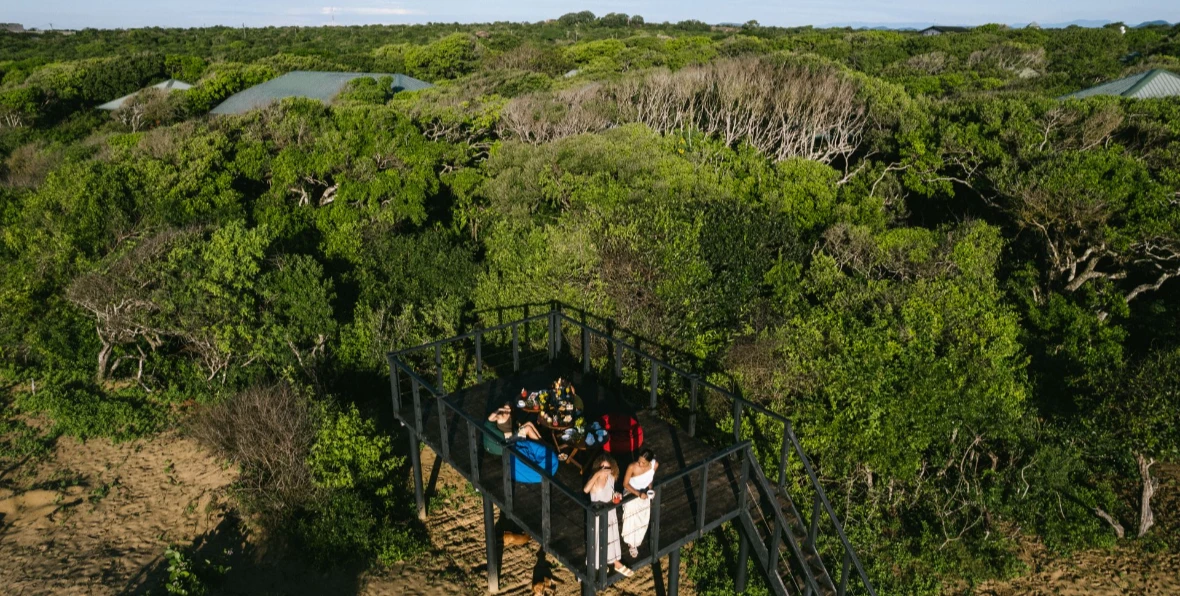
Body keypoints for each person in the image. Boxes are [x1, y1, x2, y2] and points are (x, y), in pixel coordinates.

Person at [583, 454, 633, 577]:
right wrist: (597, 473)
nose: (605, 470)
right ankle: (603, 563)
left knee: (611, 537)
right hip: (598, 514)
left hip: (610, 511)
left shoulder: (611, 477)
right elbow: (585, 489)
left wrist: (616, 495)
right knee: (600, 538)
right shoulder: (594, 480)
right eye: (602, 467)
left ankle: (615, 562)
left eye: (607, 467)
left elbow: (611, 493)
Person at [621, 449, 658, 558]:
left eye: (643, 463)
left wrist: (650, 488)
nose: (640, 464)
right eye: (639, 461)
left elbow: (650, 478)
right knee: (631, 515)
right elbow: (625, 484)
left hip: (644, 492)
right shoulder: (632, 467)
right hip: (631, 491)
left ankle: (637, 541)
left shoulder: (654, 465)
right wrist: (638, 494)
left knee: (643, 517)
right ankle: (631, 543)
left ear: (649, 462)